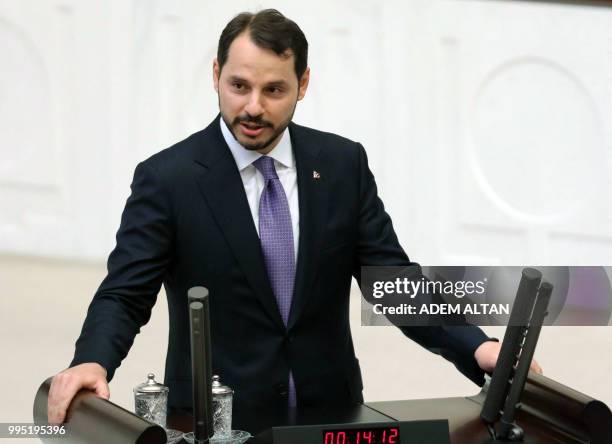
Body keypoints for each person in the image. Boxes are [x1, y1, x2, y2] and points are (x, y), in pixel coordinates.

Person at [47, 9, 540, 424]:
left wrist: (476, 347)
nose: (253, 107)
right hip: (214, 420)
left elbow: (389, 277)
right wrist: (93, 359)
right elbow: (126, 292)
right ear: (215, 73)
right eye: (238, 85)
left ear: (303, 84)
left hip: (331, 415)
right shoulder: (168, 178)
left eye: (274, 90)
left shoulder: (343, 165)